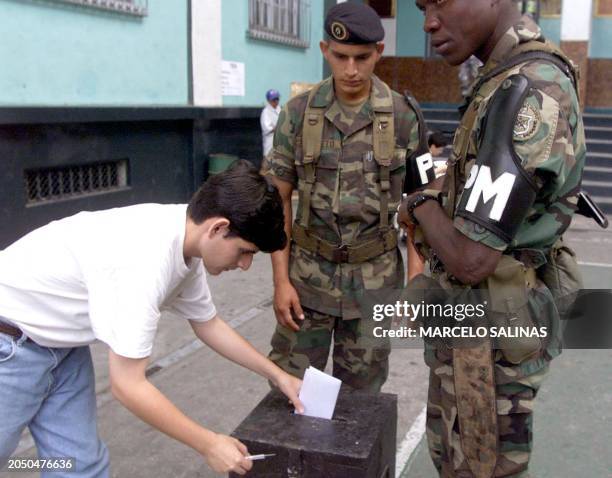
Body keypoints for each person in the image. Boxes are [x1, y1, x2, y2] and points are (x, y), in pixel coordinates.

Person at [0, 160, 303, 477]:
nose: (244, 265)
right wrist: (209, 444)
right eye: (245, 251)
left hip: (60, 345)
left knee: (79, 466)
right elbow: (128, 385)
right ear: (218, 227)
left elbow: (208, 324)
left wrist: (278, 375)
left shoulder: (184, 237)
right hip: (9, 343)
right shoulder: (142, 263)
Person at [399, 1, 586, 476]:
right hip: (472, 333)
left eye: (440, 1)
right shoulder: (500, 81)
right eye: (422, 7)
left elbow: (470, 260)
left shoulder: (527, 91)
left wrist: (418, 202)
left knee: (479, 467)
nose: (429, 22)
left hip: (488, 345)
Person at [262, 2, 428, 392]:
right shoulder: (298, 114)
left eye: (362, 57)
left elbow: (421, 205)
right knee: (291, 392)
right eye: (340, 57)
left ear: (379, 53)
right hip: (306, 284)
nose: (351, 69)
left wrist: (417, 277)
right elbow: (278, 200)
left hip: (374, 286)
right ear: (324, 51)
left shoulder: (405, 117)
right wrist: (280, 282)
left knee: (361, 402)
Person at [260, 89, 281, 158]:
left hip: (279, 142)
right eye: (274, 99)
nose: (276, 101)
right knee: (268, 163)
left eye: (277, 99)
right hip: (270, 141)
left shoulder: (280, 109)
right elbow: (267, 128)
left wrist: (276, 127)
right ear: (269, 100)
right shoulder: (265, 112)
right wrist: (278, 127)